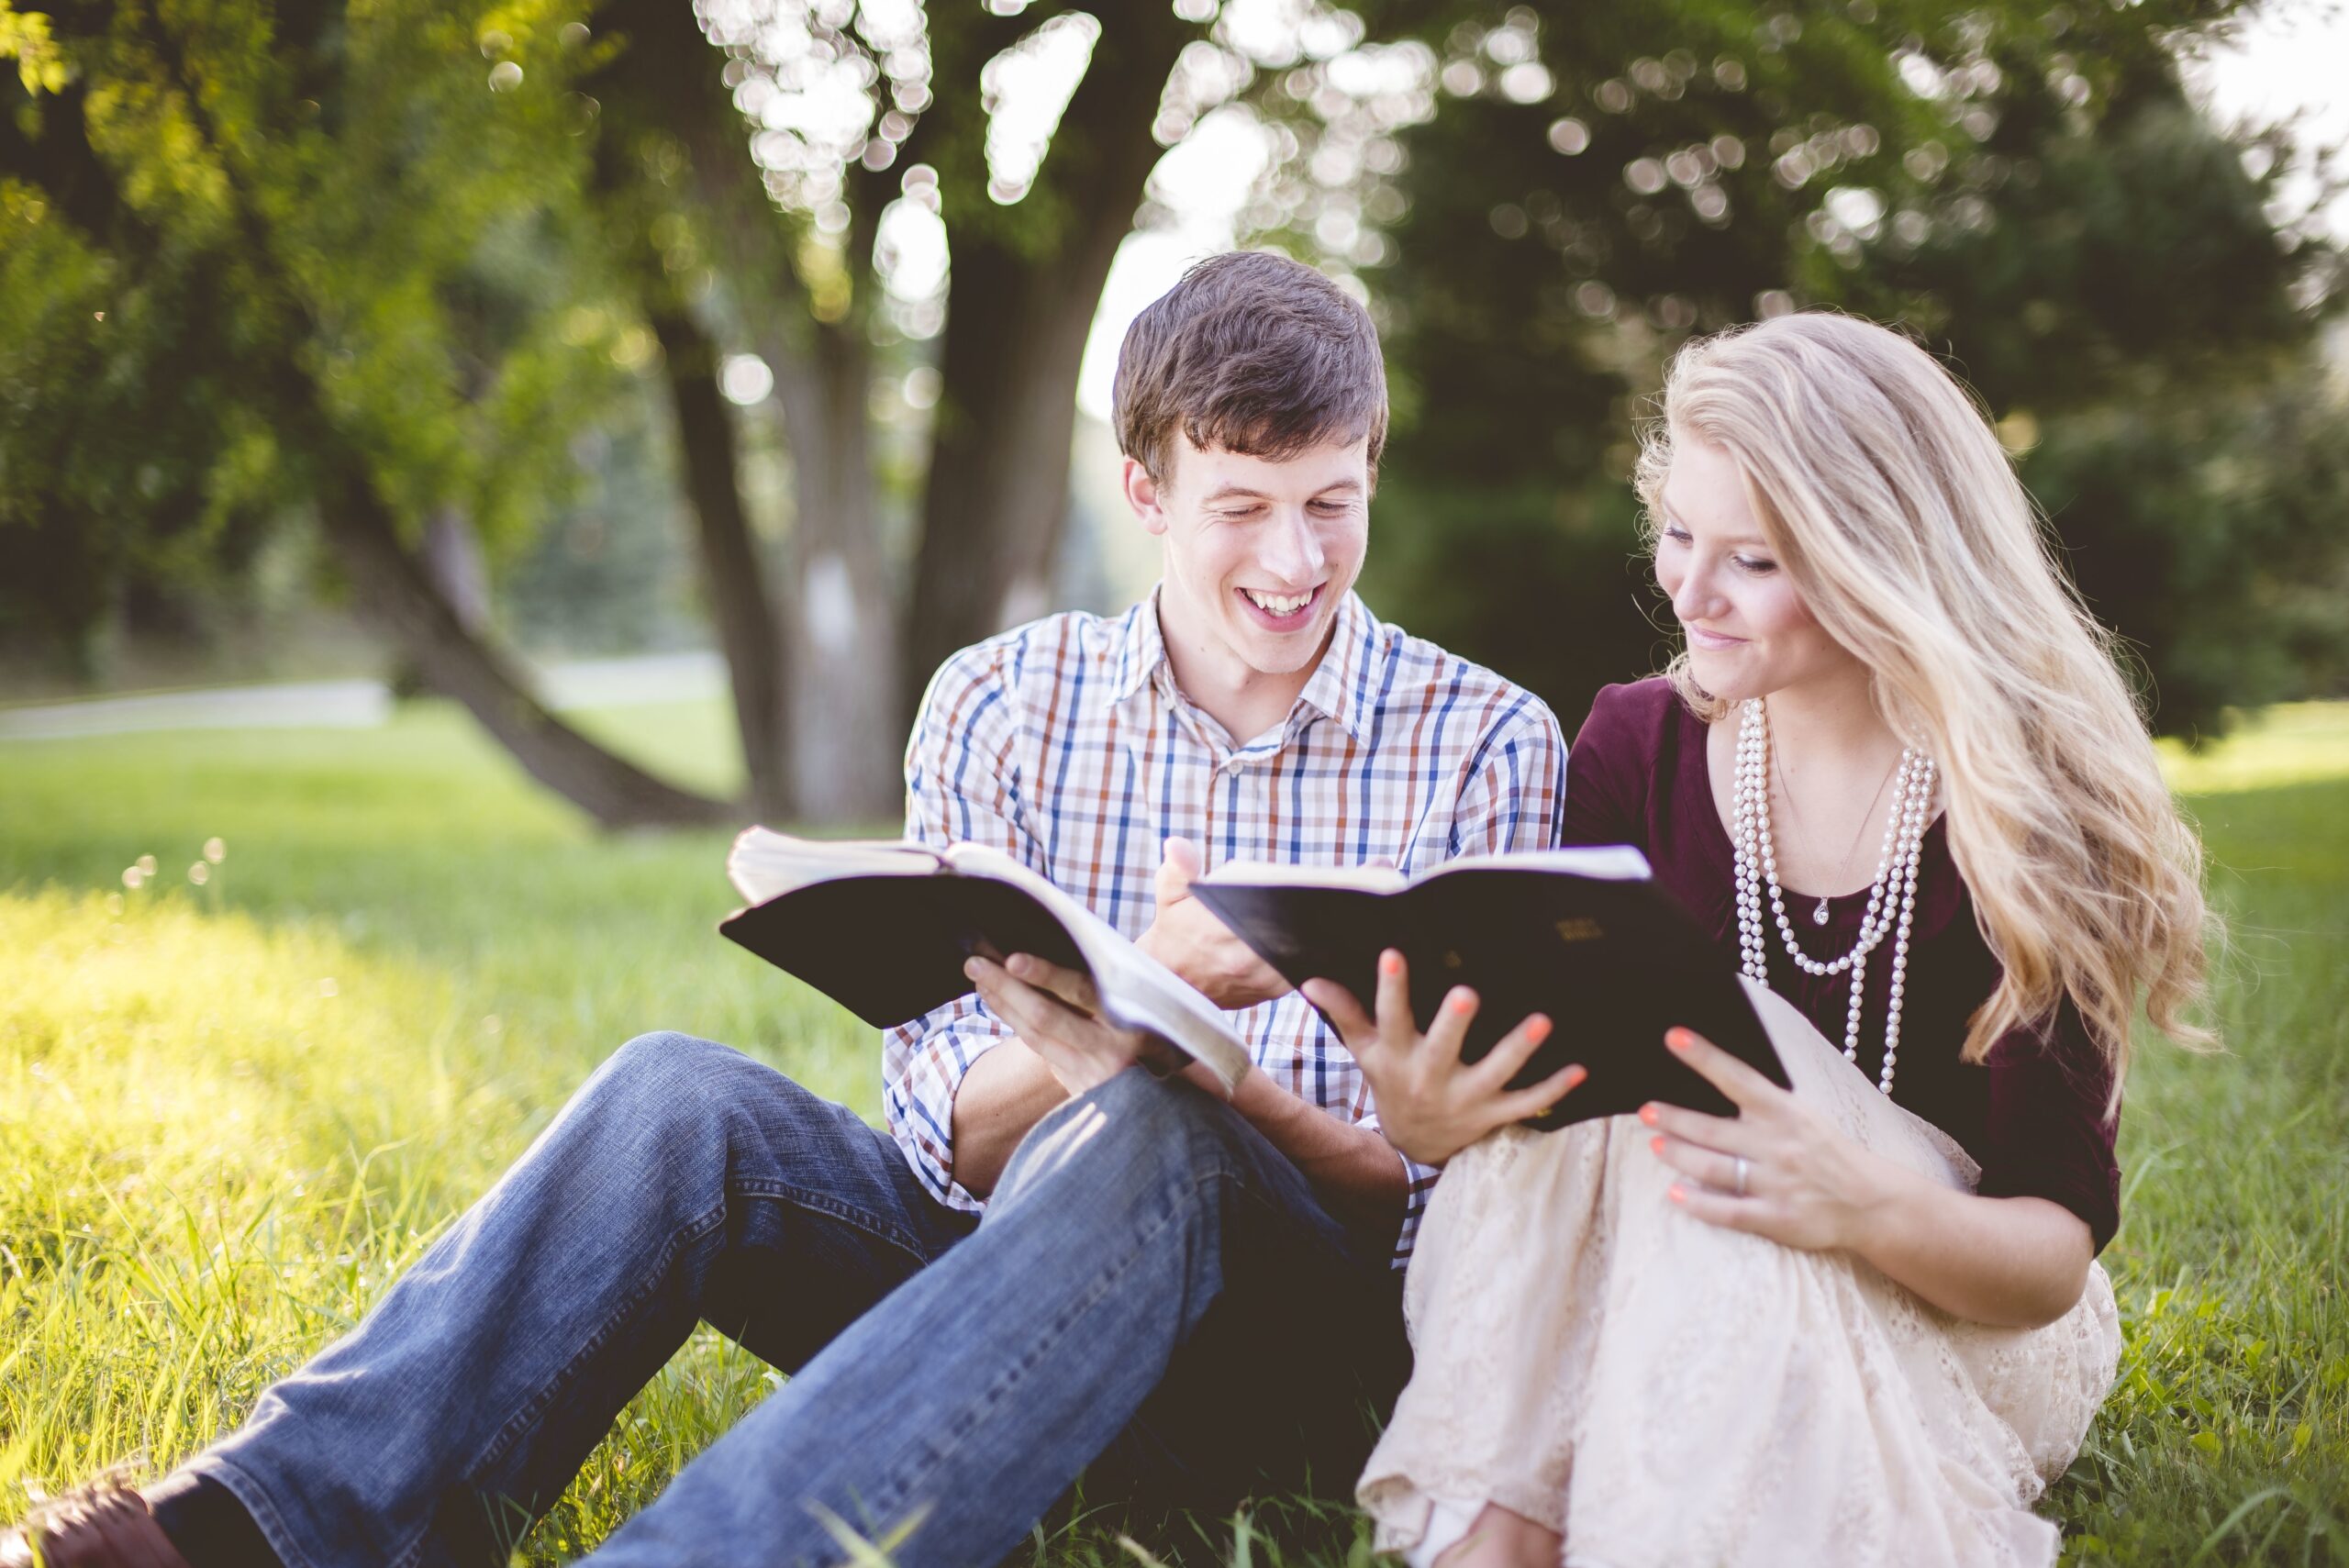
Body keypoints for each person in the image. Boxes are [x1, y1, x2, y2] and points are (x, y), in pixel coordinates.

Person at [2, 251, 1568, 1568]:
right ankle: (257, 1527)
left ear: (1373, 469)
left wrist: (1190, 1072)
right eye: (1245, 506)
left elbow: (1441, 1214)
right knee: (682, 1097)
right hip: (997, 1297)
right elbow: (943, 1135)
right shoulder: (1003, 706)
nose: (1296, 561)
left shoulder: (1485, 745)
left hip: (1293, 1353)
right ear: (1145, 490)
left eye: (1332, 501)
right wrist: (1104, 1035)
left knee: (1159, 1133)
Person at [1304, 313, 2212, 1568]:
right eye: (1680, 535)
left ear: (1875, 560)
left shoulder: (2026, 812)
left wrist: (1851, 1203)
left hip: (1956, 1307)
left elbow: (2049, 1258)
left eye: (1754, 561)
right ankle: (1504, 1537)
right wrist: (1433, 1116)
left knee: (1729, 1053)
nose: (1689, 589)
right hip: (1668, 1274)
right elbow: (1558, 1123)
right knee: (1641, 1085)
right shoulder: (1634, 742)